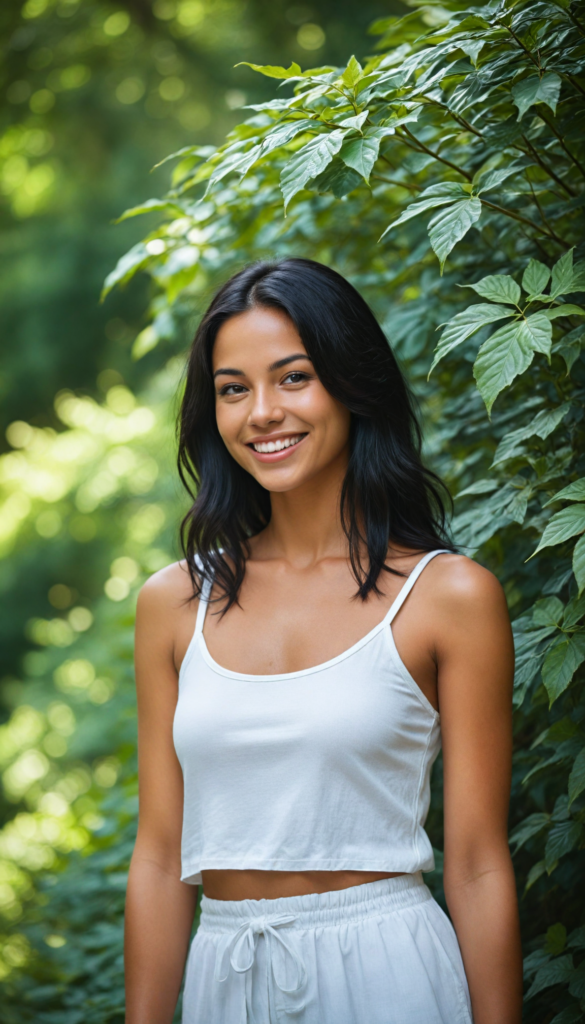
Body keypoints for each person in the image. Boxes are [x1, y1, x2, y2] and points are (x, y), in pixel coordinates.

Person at [124, 258, 522, 1024]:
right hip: (224, 973)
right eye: (233, 388)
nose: (260, 412)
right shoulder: (174, 602)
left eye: (293, 377)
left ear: (351, 383)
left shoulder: (448, 597)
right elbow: (157, 853)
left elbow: (474, 865)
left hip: (388, 972)